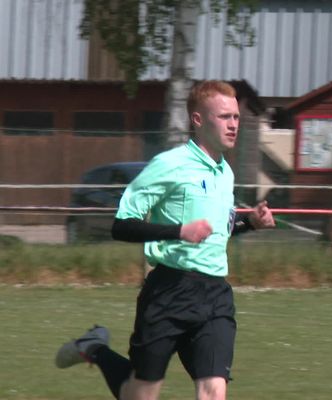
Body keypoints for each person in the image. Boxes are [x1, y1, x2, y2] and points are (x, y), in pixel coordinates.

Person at [55, 80, 275, 400]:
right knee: (140, 395)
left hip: (215, 294)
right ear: (198, 120)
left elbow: (217, 229)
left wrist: (250, 223)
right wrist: (177, 232)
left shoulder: (224, 172)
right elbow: (122, 226)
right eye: (224, 117)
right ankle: (95, 348)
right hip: (170, 292)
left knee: (214, 393)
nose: (233, 125)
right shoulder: (169, 165)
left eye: (236, 117)